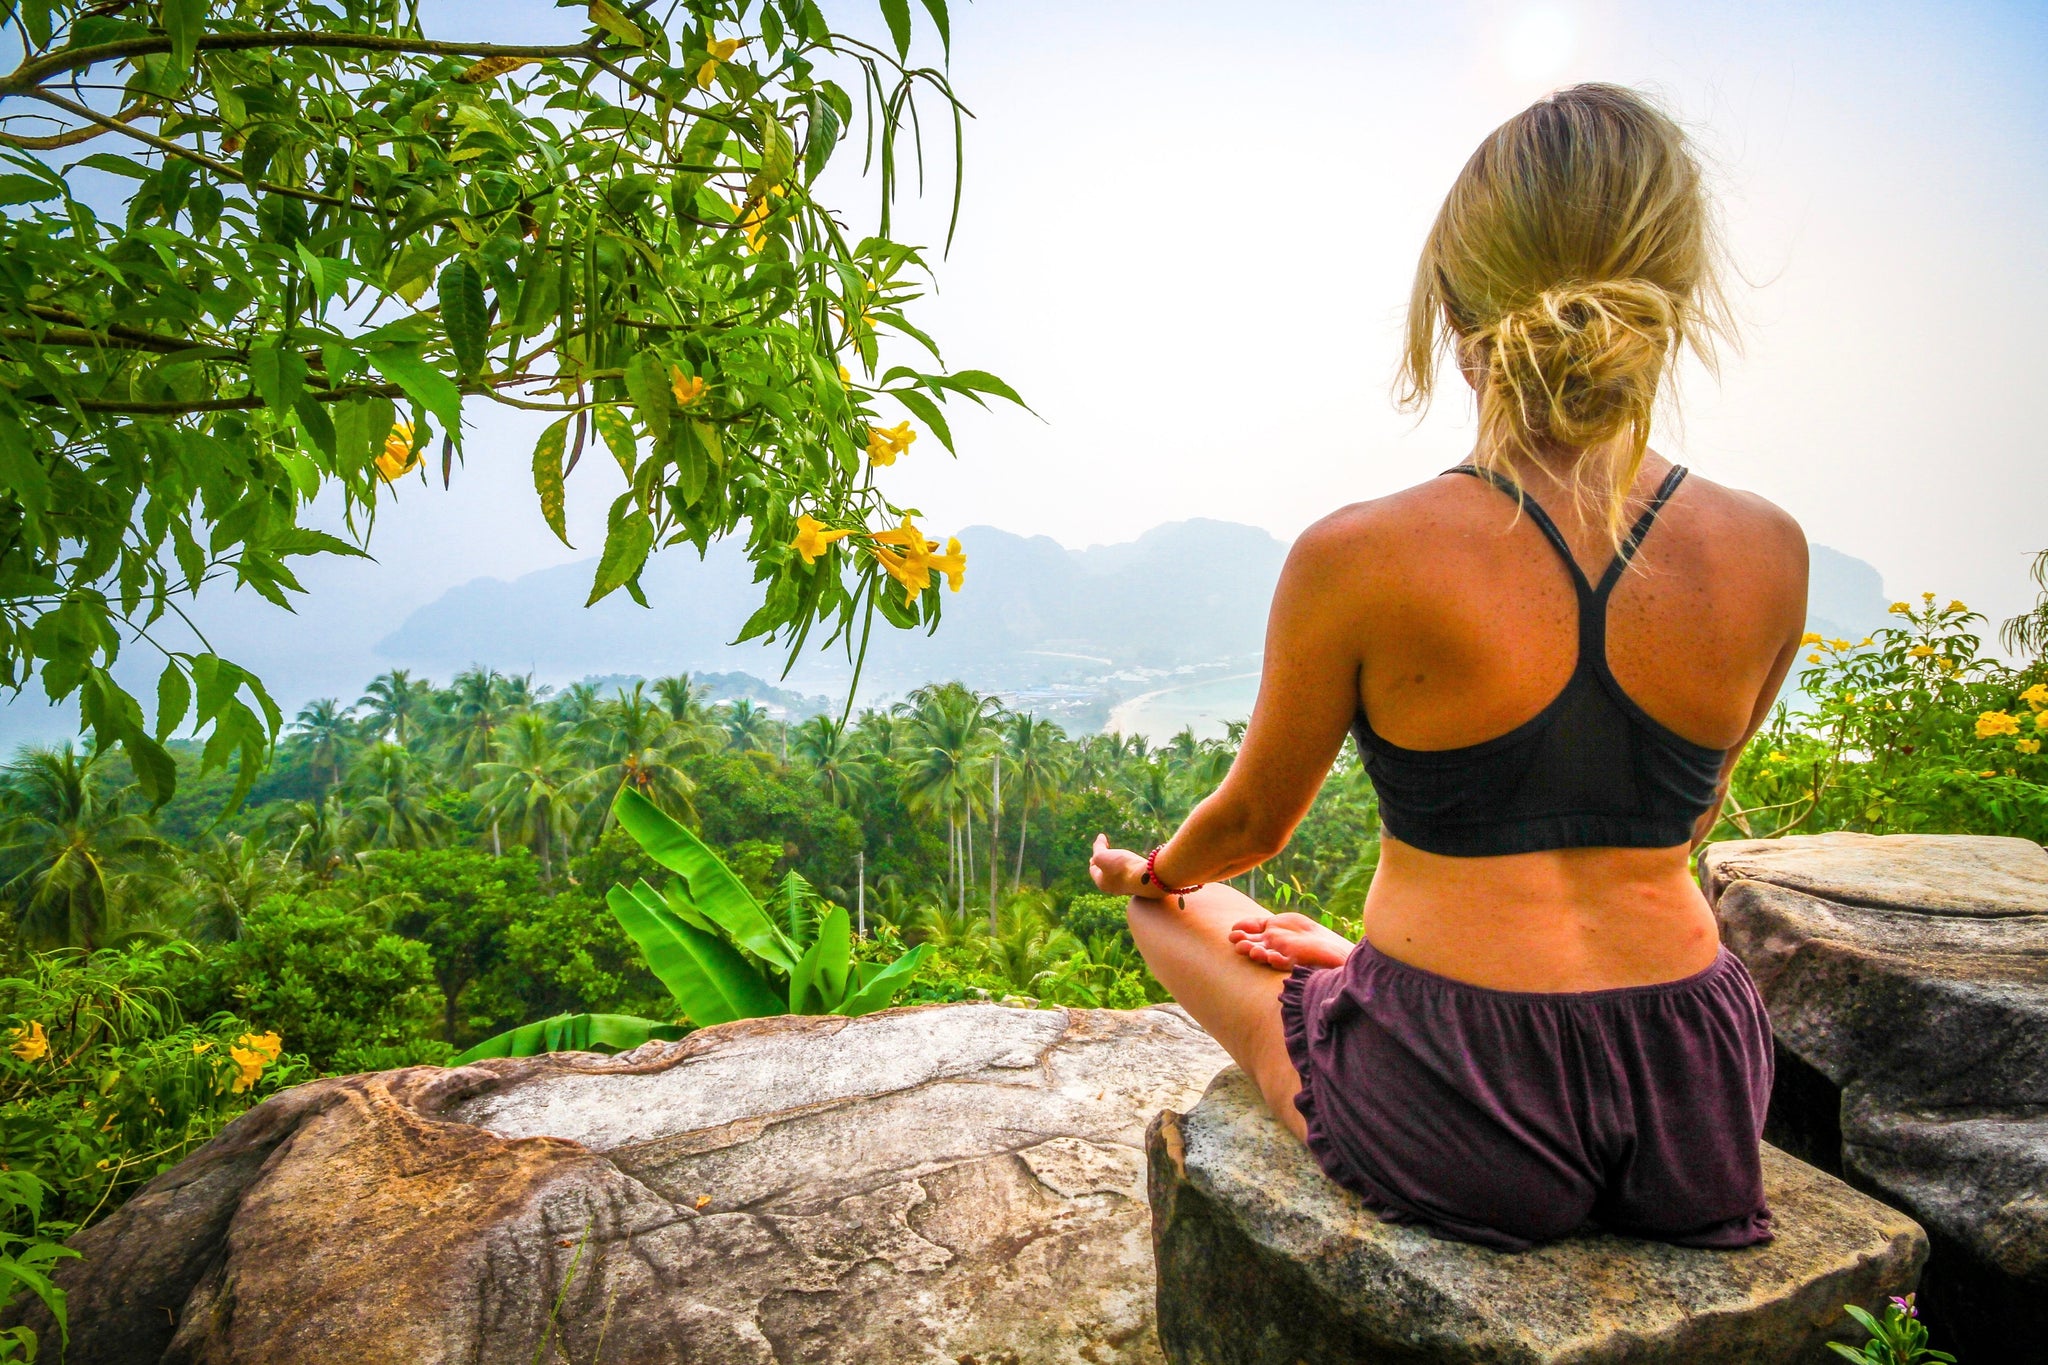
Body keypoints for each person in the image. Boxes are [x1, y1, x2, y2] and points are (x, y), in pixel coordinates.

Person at [1088, 84, 1806, 1251]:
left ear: (1454, 314)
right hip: (1695, 1087)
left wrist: (1152, 872)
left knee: (1177, 910)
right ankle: (1355, 976)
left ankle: (1331, 985)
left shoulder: (1358, 554)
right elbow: (1677, 823)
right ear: (1668, 301)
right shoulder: (1769, 549)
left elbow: (1254, 826)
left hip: (1458, 1085)